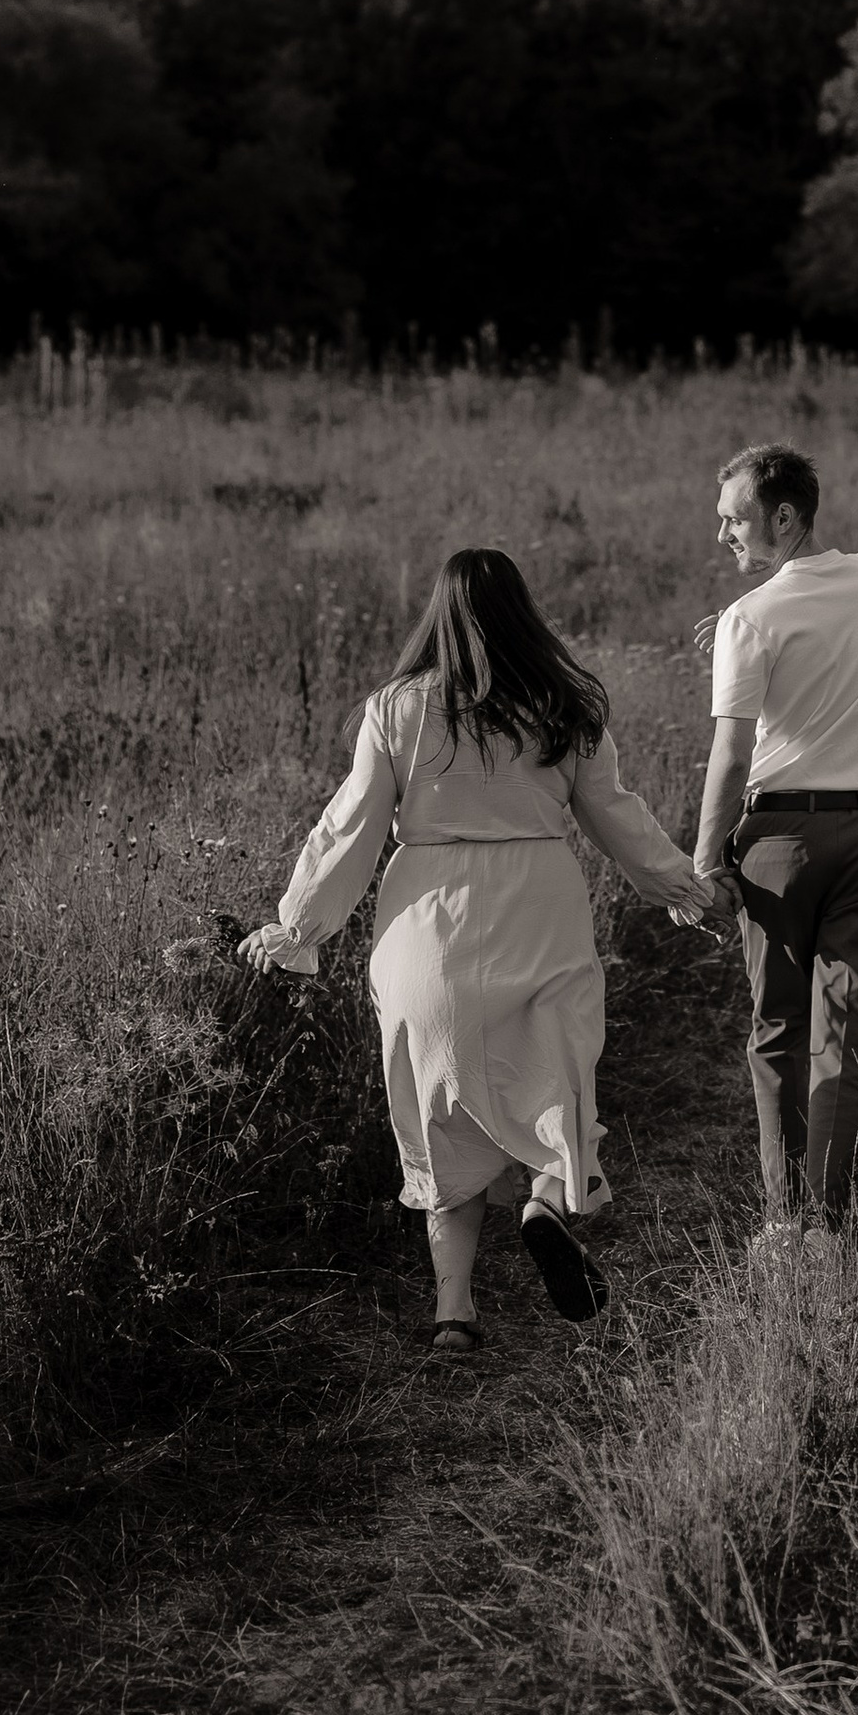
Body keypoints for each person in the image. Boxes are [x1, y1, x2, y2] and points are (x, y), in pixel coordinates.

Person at [244, 548, 726, 1359]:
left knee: (439, 1114)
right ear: (523, 613)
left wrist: (295, 928)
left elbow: (349, 829)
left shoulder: (397, 709)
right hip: (539, 908)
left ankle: (454, 1316)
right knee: (555, 1079)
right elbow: (616, 814)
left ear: (439, 614)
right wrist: (681, 884)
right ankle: (544, 1197)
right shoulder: (564, 703)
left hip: (424, 925)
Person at [690, 442, 858, 1238]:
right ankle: (827, 1225)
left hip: (781, 842)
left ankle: (784, 1226)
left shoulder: (749, 621)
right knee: (847, 1039)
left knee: (780, 1032)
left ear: (783, 516)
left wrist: (705, 859)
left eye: (736, 518)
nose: (724, 536)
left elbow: (733, 754)